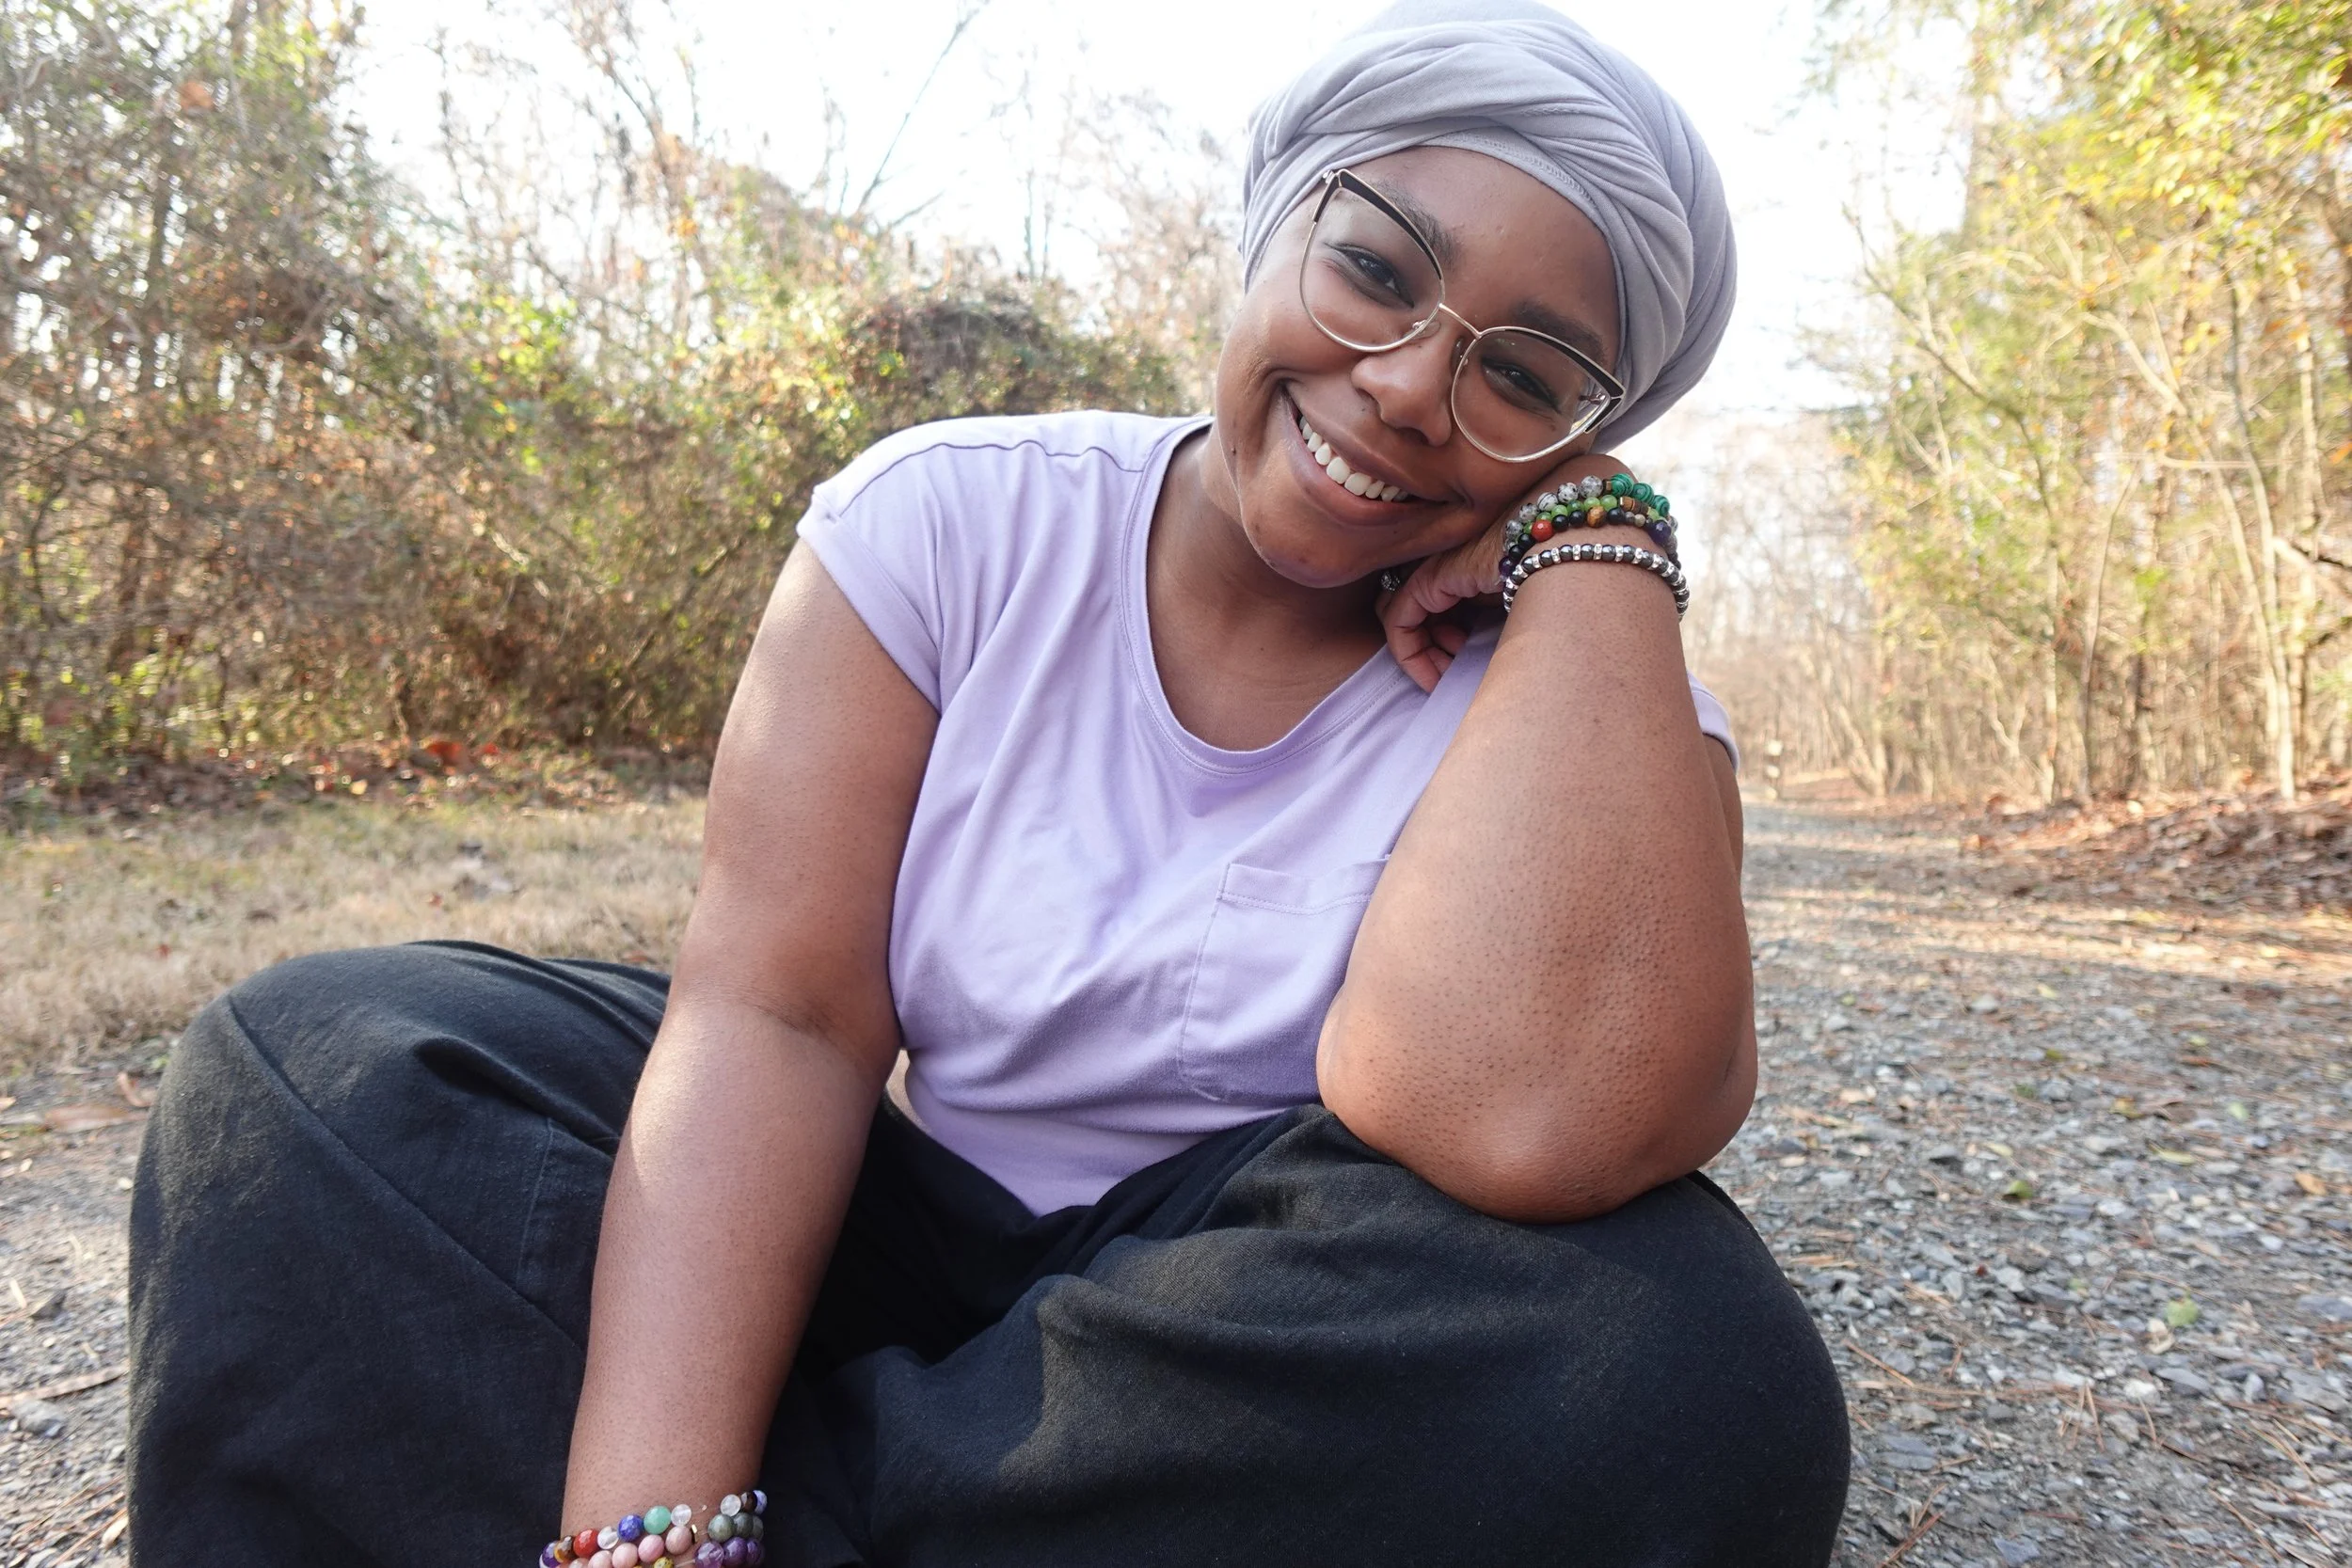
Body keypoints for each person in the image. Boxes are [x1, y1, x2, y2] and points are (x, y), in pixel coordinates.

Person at [124, 2, 1850, 1562]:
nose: (1406, 386)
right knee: (310, 1071)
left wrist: (1605, 546)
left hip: (1247, 1319)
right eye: (1381, 269)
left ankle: (795, 1511)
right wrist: (641, 1534)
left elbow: (1531, 1119)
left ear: (1582, 441)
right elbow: (779, 1021)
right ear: (1274, 226)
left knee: (1691, 1364)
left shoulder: (1590, 697)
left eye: (1528, 376)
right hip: (887, 1253)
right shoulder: (948, 521)